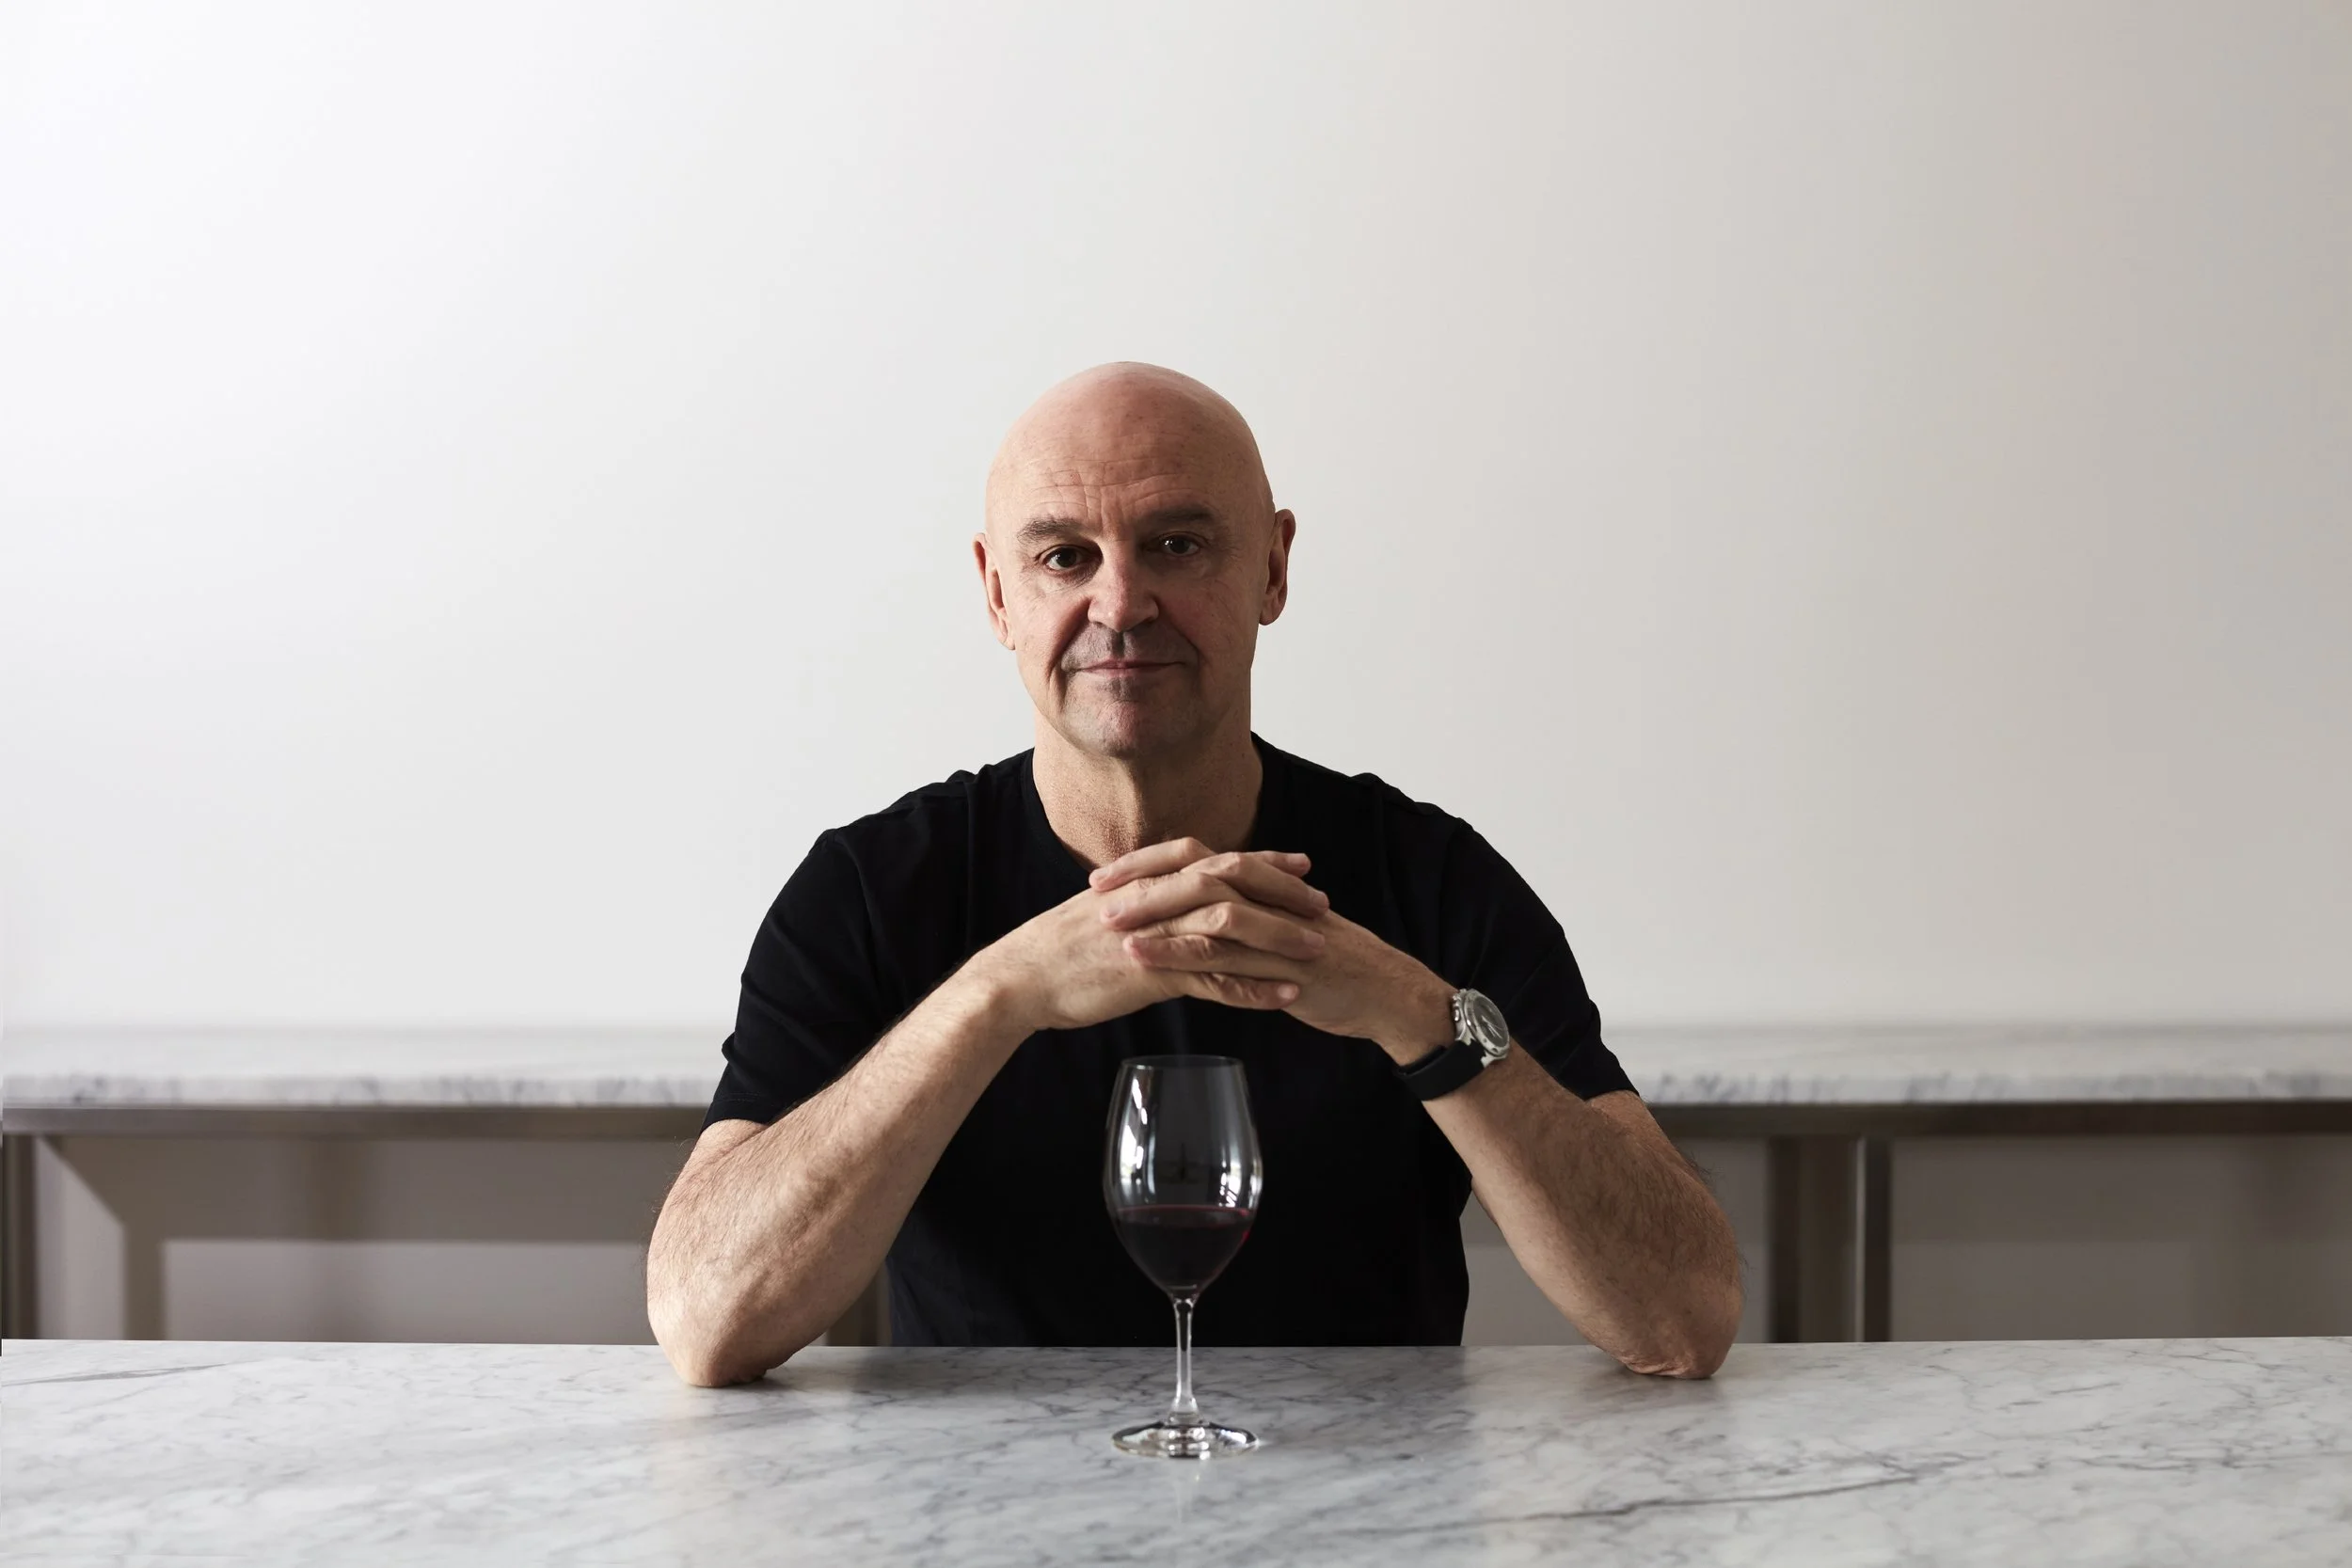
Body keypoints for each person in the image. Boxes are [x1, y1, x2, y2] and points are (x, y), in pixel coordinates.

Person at [646, 363, 1742, 1386]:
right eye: (1064, 556)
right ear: (995, 592)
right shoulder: (870, 889)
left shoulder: (1430, 876)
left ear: (1272, 566)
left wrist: (1413, 1013)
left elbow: (1682, 1317)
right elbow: (706, 1318)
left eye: (1176, 544)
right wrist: (996, 997)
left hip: (1369, 1502)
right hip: (979, 1505)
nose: (1121, 603)